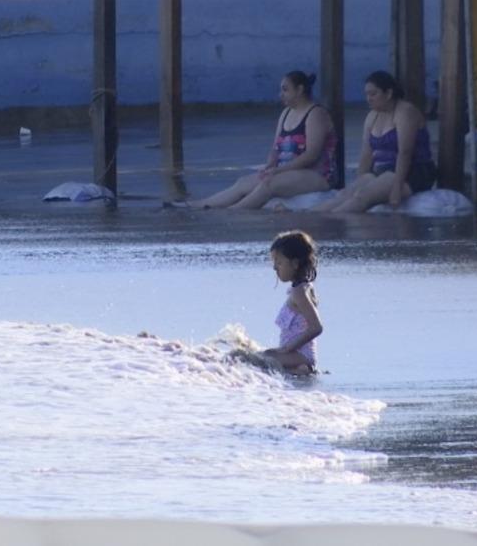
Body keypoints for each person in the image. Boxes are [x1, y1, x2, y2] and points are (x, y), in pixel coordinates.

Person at [183, 71, 336, 209]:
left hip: (316, 175)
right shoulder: (286, 113)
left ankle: (233, 212)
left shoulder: (316, 114)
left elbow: (311, 155)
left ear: (300, 90)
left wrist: (278, 171)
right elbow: (276, 149)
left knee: (268, 184)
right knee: (243, 183)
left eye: (285, 90)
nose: (280, 95)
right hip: (287, 172)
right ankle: (200, 204)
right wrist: (269, 166)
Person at [315, 70, 436, 213]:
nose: (369, 99)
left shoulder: (405, 111)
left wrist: (396, 188)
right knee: (344, 195)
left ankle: (334, 223)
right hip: (383, 171)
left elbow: (405, 152)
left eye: (373, 94)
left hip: (413, 170)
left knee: (362, 197)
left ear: (388, 93)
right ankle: (310, 218)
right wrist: (360, 181)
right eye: (367, 95)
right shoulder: (372, 116)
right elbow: (366, 154)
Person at [260, 230, 324, 375]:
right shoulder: (301, 288)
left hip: (301, 355)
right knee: (263, 355)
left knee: (254, 359)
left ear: (295, 264)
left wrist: (287, 348)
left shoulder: (300, 292)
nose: (275, 268)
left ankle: (302, 367)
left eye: (279, 263)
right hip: (298, 355)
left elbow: (316, 327)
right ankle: (298, 369)